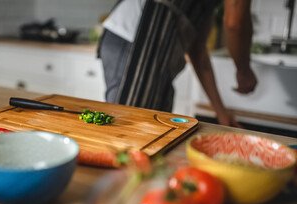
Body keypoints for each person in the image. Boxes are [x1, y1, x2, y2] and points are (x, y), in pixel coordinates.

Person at [98, 0, 257, 128]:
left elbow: (198, 49)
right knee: (128, 130)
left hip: (150, 45)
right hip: (138, 36)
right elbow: (235, 23)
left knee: (155, 131)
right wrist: (243, 70)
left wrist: (221, 113)